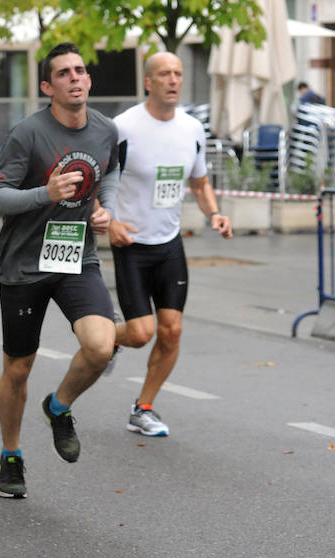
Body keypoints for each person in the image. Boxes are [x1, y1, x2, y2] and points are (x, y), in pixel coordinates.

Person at [0, 42, 119, 499]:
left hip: (75, 258)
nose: (75, 78)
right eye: (63, 73)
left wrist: (107, 211)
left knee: (101, 347)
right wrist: (44, 193)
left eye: (80, 71)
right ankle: (11, 455)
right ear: (48, 87)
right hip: (25, 263)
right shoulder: (27, 134)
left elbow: (111, 171)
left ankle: (59, 406)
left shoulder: (106, 130)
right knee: (19, 369)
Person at [108, 52, 233, 437]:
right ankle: (107, 335)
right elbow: (95, 180)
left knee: (172, 330)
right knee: (141, 333)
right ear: (149, 82)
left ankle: (143, 407)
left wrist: (214, 213)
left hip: (168, 243)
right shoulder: (122, 128)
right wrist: (108, 221)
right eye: (165, 74)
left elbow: (199, 183)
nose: (174, 80)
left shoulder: (192, 129)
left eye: (178, 73)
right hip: (130, 242)